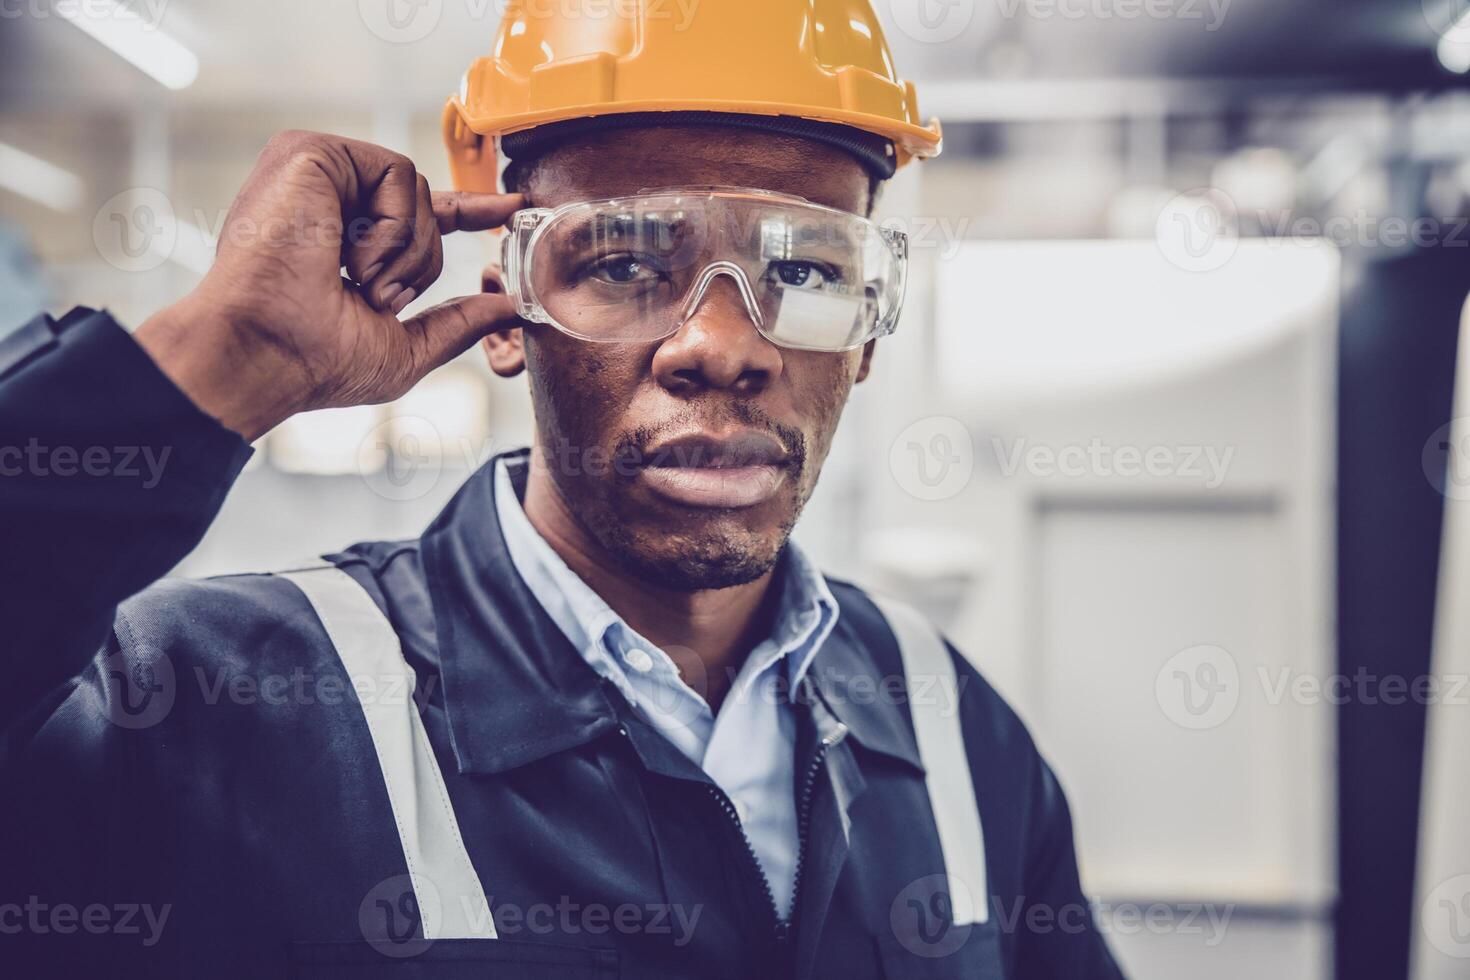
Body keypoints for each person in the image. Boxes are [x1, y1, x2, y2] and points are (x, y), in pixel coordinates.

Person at [0, 2, 1124, 977]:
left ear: (868, 334)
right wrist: (218, 355)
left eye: (807, 267)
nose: (723, 345)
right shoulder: (210, 705)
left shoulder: (952, 731)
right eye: (627, 261)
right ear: (507, 308)